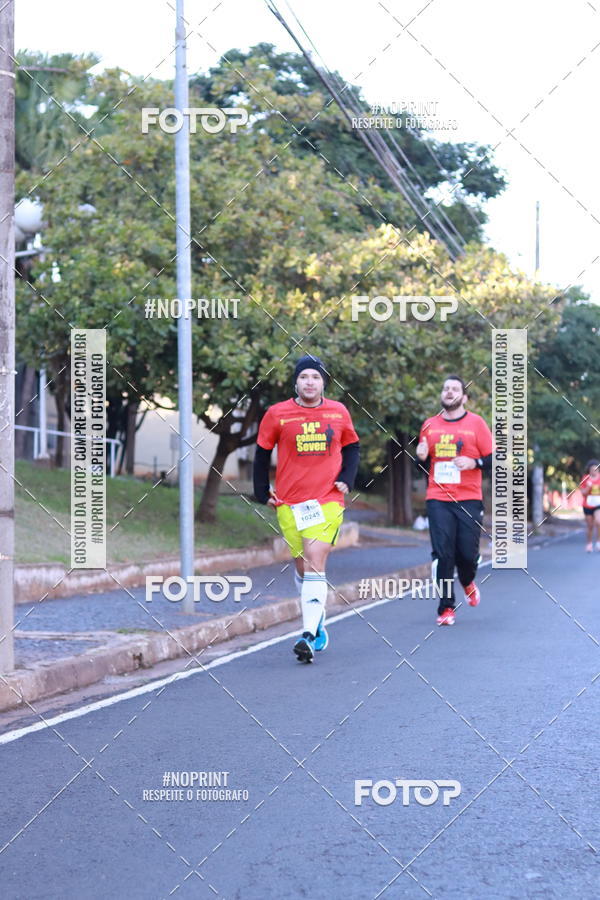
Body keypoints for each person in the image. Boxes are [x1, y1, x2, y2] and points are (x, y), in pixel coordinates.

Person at [253, 354, 360, 662]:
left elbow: (352, 446)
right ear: (296, 382)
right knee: (303, 566)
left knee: (315, 559)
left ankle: (307, 635)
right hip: (290, 502)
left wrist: (346, 479)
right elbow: (261, 453)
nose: (309, 382)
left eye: (315, 377)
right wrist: (262, 492)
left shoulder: (338, 412)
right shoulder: (277, 414)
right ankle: (319, 620)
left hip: (327, 500)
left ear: (323, 382)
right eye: (304, 377)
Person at [416, 375, 493, 626]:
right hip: (438, 497)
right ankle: (446, 608)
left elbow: (494, 459)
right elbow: (424, 465)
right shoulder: (429, 425)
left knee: (466, 556)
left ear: (464, 397)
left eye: (455, 389)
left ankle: (468, 580)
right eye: (446, 388)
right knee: (442, 553)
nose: (449, 392)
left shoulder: (476, 424)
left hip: (469, 498)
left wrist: (475, 462)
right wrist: (421, 457)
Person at [580, 459, 600, 552]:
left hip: (598, 504)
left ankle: (598, 542)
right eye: (592, 469)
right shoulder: (585, 478)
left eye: (596, 469)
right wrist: (588, 486)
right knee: (590, 525)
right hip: (587, 505)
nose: (594, 471)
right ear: (589, 470)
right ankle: (589, 544)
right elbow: (583, 493)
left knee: (598, 522)